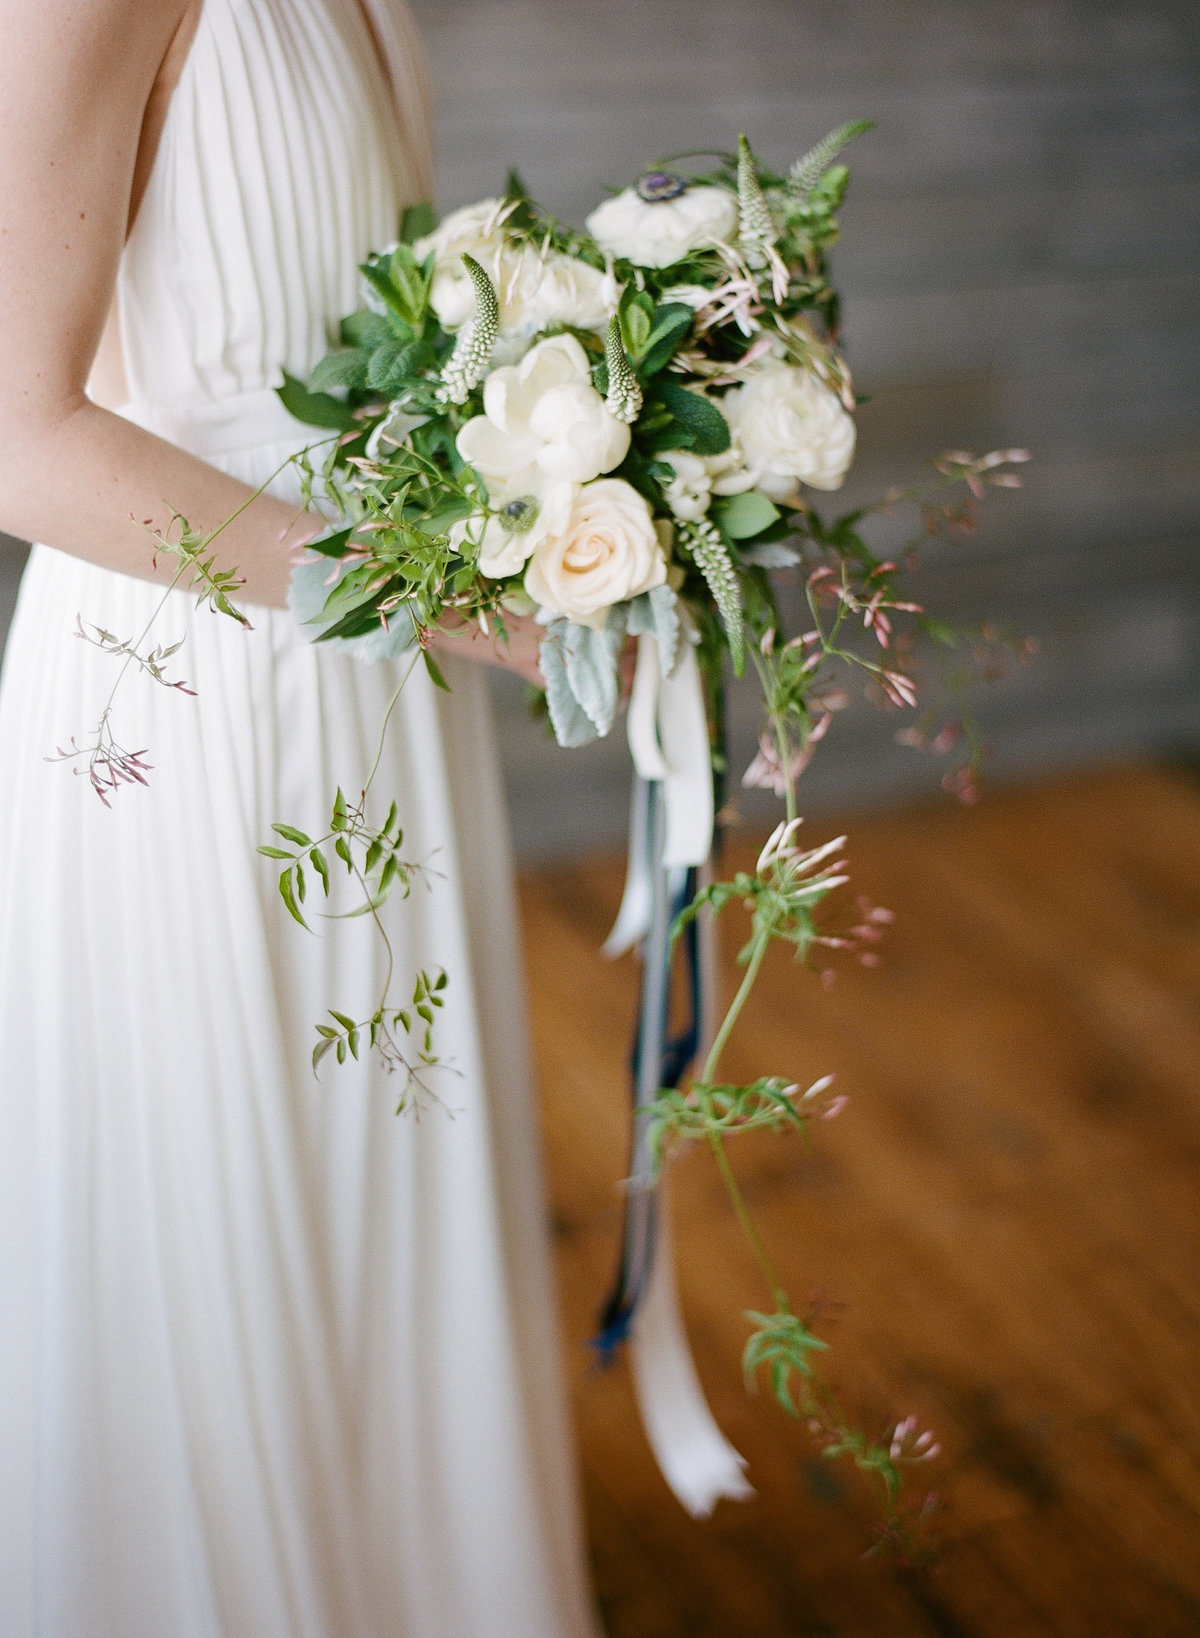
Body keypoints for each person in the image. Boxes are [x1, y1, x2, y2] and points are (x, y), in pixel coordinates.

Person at [0, 2, 600, 1633]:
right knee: (222, 1240)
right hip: (190, 701)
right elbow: (15, 436)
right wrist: (434, 600)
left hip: (373, 682)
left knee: (379, 1208)